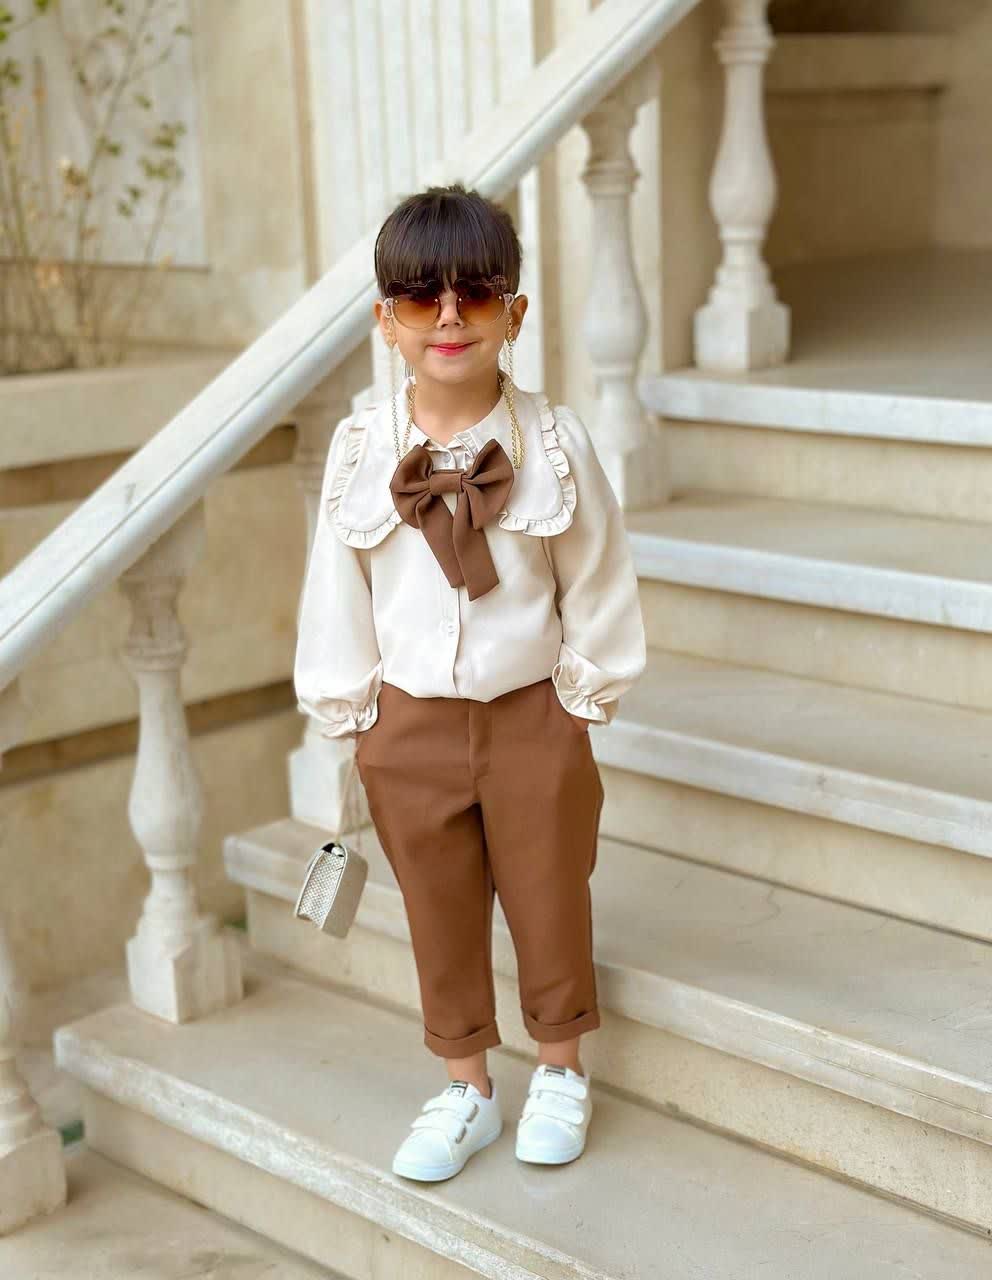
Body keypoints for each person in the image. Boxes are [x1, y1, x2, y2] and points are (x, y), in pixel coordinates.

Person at [294, 181, 646, 1182]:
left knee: (549, 893)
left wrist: (578, 699)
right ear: (387, 321)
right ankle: (466, 1087)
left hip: (531, 715)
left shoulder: (555, 443)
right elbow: (336, 587)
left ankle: (560, 1068)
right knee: (437, 908)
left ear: (514, 313)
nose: (448, 318)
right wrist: (353, 716)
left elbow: (597, 573)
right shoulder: (361, 450)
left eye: (475, 295)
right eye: (421, 298)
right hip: (409, 723)